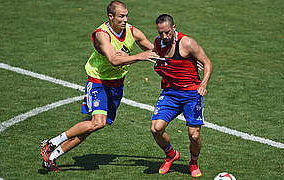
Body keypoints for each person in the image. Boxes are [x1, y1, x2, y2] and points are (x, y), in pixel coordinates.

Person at [40, 0, 159, 172]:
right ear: (110, 17)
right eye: (121, 16)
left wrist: (185, 60)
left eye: (126, 15)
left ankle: (51, 157)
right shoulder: (102, 34)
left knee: (90, 127)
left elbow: (157, 51)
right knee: (98, 122)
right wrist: (140, 56)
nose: (125, 19)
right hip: (98, 82)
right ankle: (51, 142)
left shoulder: (133, 32)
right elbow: (113, 59)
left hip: (116, 85)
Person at [150, 14, 212, 177]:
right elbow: (155, 56)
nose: (164, 36)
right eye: (160, 33)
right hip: (170, 93)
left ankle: (193, 162)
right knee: (156, 129)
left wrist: (203, 85)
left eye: (167, 32)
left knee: (194, 135)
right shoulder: (159, 42)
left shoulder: (187, 43)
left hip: (192, 93)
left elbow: (207, 62)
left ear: (174, 28)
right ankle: (171, 155)